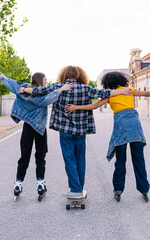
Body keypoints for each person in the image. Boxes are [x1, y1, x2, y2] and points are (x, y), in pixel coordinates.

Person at [19, 66, 132, 199]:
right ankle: (79, 187)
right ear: (80, 75)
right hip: (80, 130)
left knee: (69, 159)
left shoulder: (58, 86)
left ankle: (75, 188)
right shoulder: (86, 88)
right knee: (80, 159)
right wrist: (122, 91)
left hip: (65, 130)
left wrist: (24, 89)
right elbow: (105, 93)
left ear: (64, 75)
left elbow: (39, 91)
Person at [64, 71, 150, 202]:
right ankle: (144, 190)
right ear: (121, 80)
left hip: (121, 127)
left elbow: (94, 106)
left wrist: (75, 107)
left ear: (108, 83)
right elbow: (147, 93)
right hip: (135, 127)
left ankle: (118, 190)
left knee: (120, 161)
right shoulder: (128, 90)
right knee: (139, 160)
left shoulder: (111, 95)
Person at [0, 71, 74, 201]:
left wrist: (4, 77)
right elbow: (47, 100)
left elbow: (12, 84)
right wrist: (61, 89)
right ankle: (40, 185)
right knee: (40, 157)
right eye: (45, 79)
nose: (46, 81)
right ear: (40, 80)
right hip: (39, 129)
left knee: (24, 157)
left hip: (27, 127)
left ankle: (18, 184)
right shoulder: (42, 94)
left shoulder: (23, 89)